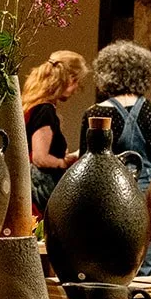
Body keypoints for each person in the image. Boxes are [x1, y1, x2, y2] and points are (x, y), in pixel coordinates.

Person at [79, 41, 151, 275]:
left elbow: (84, 163)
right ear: (144, 73)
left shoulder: (95, 113)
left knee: (110, 250)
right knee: (143, 252)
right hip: (147, 189)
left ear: (106, 72)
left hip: (108, 189)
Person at [21, 51, 89, 210]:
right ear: (70, 79)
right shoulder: (45, 110)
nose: (76, 89)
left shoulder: (35, 106)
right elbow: (40, 158)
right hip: (41, 192)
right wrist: (64, 162)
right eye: (77, 82)